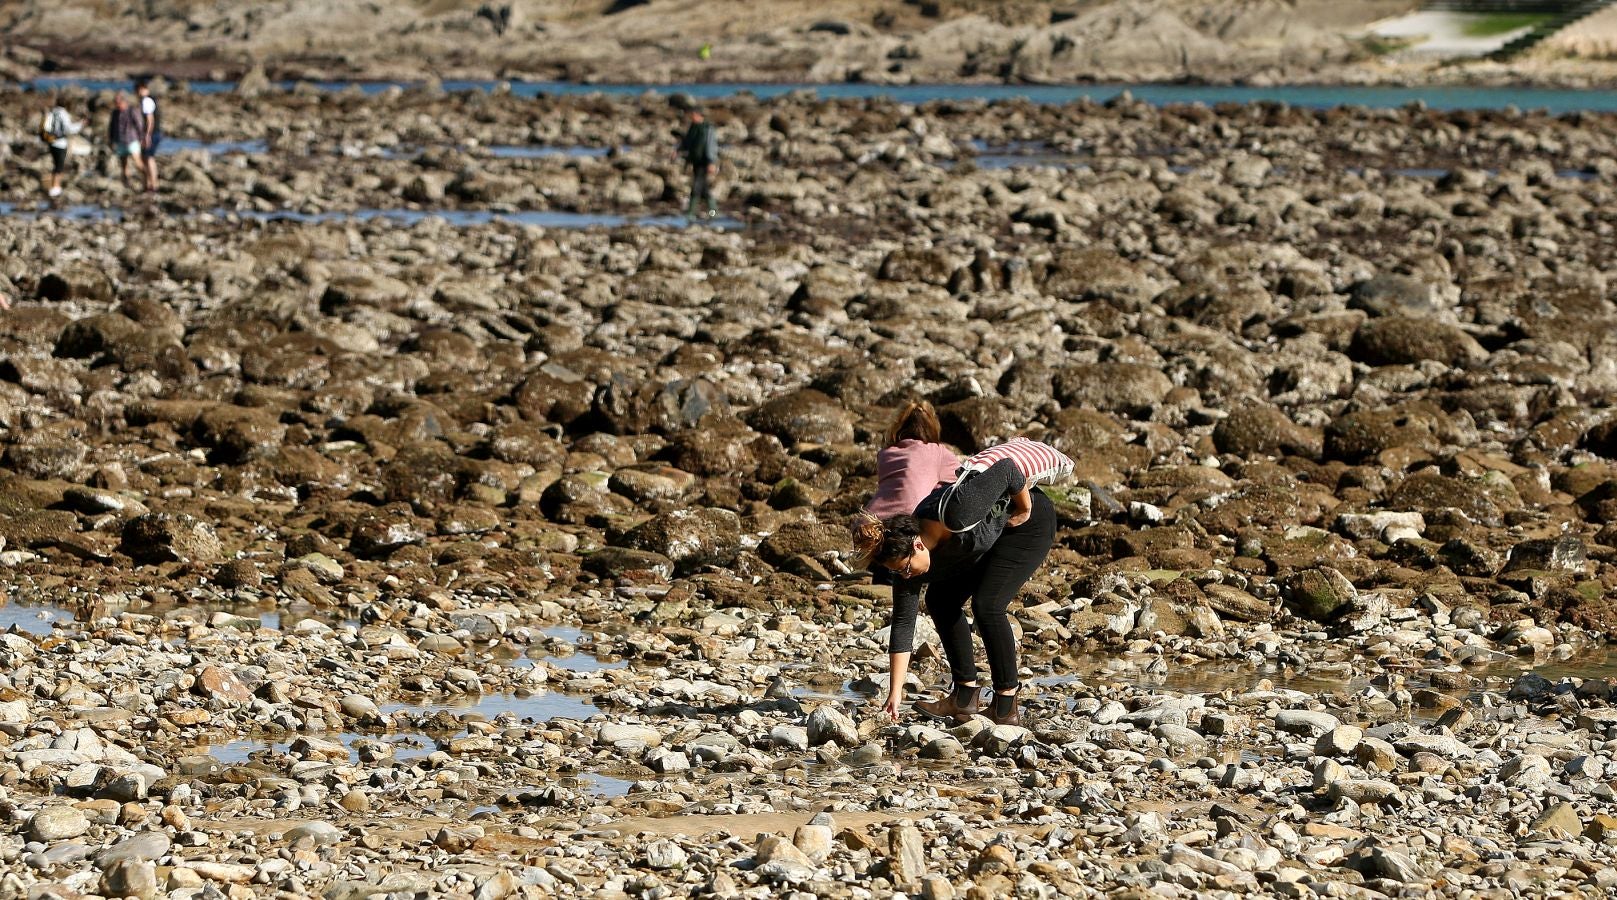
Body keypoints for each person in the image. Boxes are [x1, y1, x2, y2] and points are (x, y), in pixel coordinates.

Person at [851, 455, 1057, 727]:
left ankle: (1006, 707)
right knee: (940, 599)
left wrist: (1025, 509)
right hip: (986, 536)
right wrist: (895, 692)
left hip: (1028, 523)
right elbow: (903, 624)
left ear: (917, 546)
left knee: (988, 605)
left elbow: (1008, 469)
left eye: (907, 569)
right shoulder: (904, 559)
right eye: (899, 572)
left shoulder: (957, 511)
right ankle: (964, 696)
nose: (906, 576)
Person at [676, 108, 718, 219]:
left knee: (697, 186)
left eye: (694, 115)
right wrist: (678, 151)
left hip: (705, 162)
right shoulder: (693, 127)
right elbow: (687, 142)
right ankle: (713, 212)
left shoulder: (707, 128)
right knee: (703, 188)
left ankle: (690, 213)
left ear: (699, 115)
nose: (692, 117)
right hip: (695, 161)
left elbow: (710, 146)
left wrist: (711, 162)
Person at [40, 97, 83, 200]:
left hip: (51, 141)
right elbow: (69, 129)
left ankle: (55, 186)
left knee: (56, 164)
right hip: (60, 143)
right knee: (59, 166)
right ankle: (55, 187)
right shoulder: (63, 114)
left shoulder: (52, 112)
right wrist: (80, 124)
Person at [107, 93, 145, 189]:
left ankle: (146, 179)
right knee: (123, 165)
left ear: (124, 101)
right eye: (115, 102)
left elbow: (139, 125)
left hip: (132, 140)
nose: (117, 104)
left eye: (118, 102)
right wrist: (111, 140)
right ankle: (126, 185)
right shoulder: (115, 113)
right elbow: (111, 127)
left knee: (138, 163)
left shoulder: (132, 111)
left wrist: (142, 138)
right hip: (120, 140)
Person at [135, 80, 161, 193]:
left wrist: (147, 135)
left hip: (151, 134)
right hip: (154, 133)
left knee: (148, 158)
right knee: (147, 158)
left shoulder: (146, 101)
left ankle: (152, 185)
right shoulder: (150, 99)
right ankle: (150, 184)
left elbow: (150, 119)